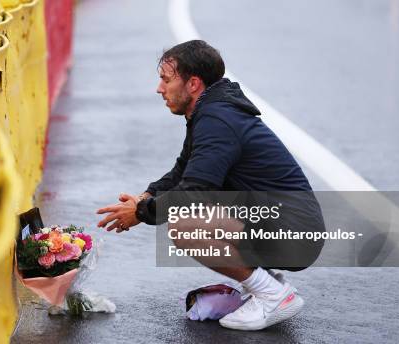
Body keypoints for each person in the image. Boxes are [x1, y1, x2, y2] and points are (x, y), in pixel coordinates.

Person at [96, 40, 325, 331]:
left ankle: (272, 295)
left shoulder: (217, 119)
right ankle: (267, 282)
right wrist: (146, 197)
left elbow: (194, 192)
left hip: (295, 234)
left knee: (184, 224)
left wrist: (142, 213)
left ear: (193, 84)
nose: (159, 88)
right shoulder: (210, 112)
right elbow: (183, 171)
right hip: (284, 223)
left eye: (166, 80)